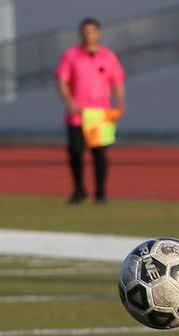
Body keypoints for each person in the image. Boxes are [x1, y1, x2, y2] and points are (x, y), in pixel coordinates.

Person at [54, 18, 126, 204]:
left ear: (98, 33)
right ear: (80, 34)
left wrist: (120, 104)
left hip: (100, 114)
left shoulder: (108, 57)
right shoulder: (71, 55)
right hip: (78, 113)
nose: (88, 35)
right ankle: (79, 190)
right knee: (75, 151)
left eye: (92, 31)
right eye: (85, 31)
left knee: (99, 153)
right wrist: (69, 102)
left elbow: (117, 82)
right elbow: (62, 81)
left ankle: (101, 192)